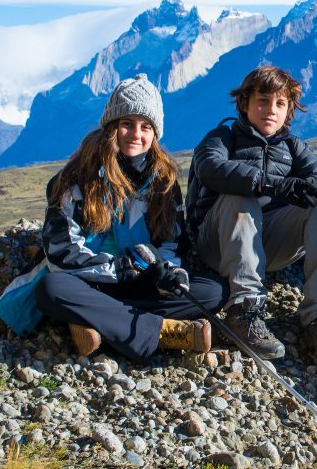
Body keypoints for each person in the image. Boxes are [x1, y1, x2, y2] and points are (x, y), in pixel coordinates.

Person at [35, 73, 228, 363]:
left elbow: (174, 243)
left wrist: (167, 272)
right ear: (112, 126)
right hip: (91, 280)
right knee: (51, 288)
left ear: (155, 133)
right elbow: (61, 253)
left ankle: (99, 324)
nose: (136, 134)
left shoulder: (163, 180)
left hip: (140, 282)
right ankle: (162, 332)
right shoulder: (74, 179)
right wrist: (119, 270)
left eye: (146, 126)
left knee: (213, 291)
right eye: (127, 124)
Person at [186, 65, 317, 369]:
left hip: (267, 245)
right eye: (262, 101)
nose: (270, 110)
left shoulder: (292, 147)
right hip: (216, 244)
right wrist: (269, 184)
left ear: (289, 110)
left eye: (280, 103)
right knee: (239, 193)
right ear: (244, 103)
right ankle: (245, 311)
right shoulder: (222, 137)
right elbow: (211, 168)